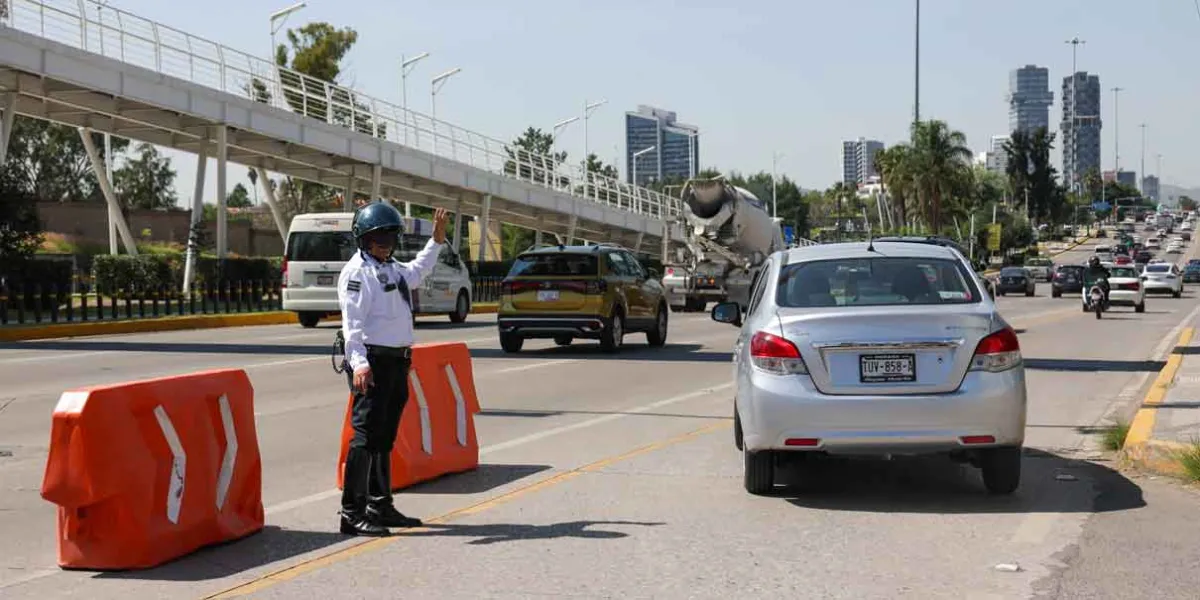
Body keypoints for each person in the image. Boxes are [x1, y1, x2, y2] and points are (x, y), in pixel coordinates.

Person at [337, 200, 449, 536]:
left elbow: (417, 272)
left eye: (389, 237)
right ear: (363, 239)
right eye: (377, 238)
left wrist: (437, 241)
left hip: (397, 361)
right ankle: (351, 512)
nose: (384, 243)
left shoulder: (389, 267)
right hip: (372, 362)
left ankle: (379, 504)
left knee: (384, 436)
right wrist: (359, 364)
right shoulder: (358, 273)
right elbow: (351, 326)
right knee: (365, 436)